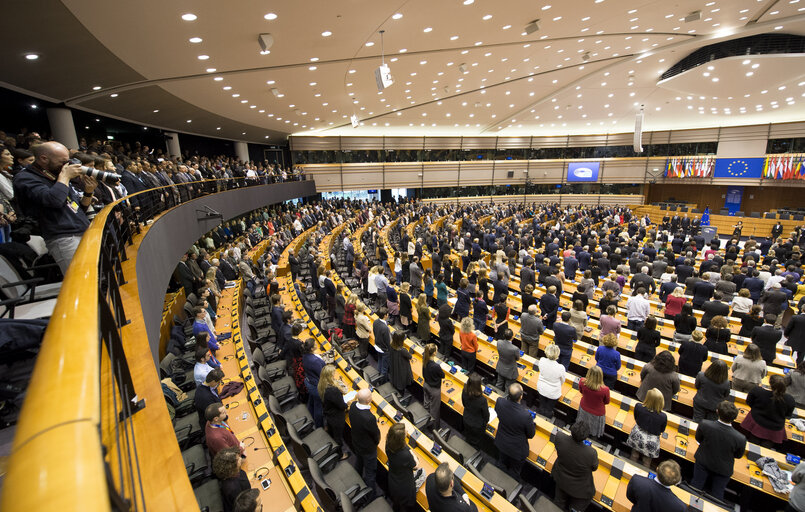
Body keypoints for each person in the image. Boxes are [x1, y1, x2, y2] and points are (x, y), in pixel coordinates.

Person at [13, 141, 98, 273]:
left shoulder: (56, 176)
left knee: (96, 277)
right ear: (43, 158)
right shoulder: (25, 178)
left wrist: (88, 192)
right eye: (63, 161)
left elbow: (77, 208)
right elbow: (53, 201)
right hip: (64, 239)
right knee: (80, 282)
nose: (66, 164)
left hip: (82, 231)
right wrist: (65, 176)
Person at [691, 401, 746, 500]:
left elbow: (699, 439)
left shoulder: (705, 424)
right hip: (723, 468)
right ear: (735, 418)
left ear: (717, 412)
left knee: (695, 486)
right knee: (717, 495)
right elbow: (738, 455)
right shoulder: (740, 438)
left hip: (703, 461)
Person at [552, 421, 598, 512]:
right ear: (586, 437)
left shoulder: (559, 437)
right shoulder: (591, 453)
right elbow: (594, 468)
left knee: (558, 503)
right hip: (580, 490)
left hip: (561, 479)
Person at [741, 374, 796, 448]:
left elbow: (749, 402)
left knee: (752, 447)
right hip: (774, 428)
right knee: (766, 448)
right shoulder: (790, 399)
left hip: (757, 422)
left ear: (770, 383)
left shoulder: (757, 391)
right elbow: (788, 415)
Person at [494, 383, 536, 477]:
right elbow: (531, 435)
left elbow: (498, 413)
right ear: (521, 397)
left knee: (501, 463)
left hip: (501, 442)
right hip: (517, 450)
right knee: (515, 472)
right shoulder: (525, 416)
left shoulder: (500, 402)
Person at [349, 388, 381, 495]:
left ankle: (356, 480)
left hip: (356, 443)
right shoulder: (369, 418)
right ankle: (372, 496)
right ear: (368, 400)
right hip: (368, 450)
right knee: (370, 474)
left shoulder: (353, 406)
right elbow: (376, 436)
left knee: (359, 462)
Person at [627, 389, 667, 468]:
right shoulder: (663, 416)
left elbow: (636, 418)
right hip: (651, 441)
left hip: (637, 436)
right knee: (647, 461)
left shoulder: (638, 407)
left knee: (634, 455)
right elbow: (662, 430)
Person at [386, 423, 421, 512]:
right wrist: (412, 453)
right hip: (404, 486)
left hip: (393, 479)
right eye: (405, 432)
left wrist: (408, 450)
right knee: (404, 507)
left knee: (397, 503)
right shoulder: (405, 455)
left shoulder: (388, 444)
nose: (407, 431)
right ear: (400, 440)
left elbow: (404, 447)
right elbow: (416, 466)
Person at [319, 364, 349, 457]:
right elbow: (341, 406)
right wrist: (348, 405)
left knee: (333, 432)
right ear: (329, 376)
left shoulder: (322, 384)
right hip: (336, 417)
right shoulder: (332, 390)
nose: (334, 374)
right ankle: (340, 455)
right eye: (333, 373)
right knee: (338, 437)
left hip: (329, 414)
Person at [213, 447, 252, 512]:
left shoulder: (227, 476)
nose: (240, 458)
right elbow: (244, 504)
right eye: (237, 459)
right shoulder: (233, 488)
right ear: (231, 466)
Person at [576, 365, 610, 439]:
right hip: (597, 414)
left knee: (581, 428)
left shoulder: (582, 381)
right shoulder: (605, 390)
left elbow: (581, 391)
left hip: (584, 408)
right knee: (593, 432)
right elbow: (607, 401)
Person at [461, 373, 490, 448]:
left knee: (468, 436)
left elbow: (464, 404)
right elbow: (486, 416)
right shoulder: (482, 400)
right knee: (476, 442)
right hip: (477, 425)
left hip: (466, 419)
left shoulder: (464, 391)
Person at [537, 344, 566, 418]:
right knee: (549, 409)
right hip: (553, 392)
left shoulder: (542, 360)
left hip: (541, 388)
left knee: (542, 405)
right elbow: (562, 381)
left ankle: (540, 414)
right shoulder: (561, 368)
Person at [302, 338, 326, 428]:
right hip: (316, 387)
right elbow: (322, 374)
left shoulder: (305, 355)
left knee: (312, 401)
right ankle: (319, 426)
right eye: (315, 344)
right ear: (312, 348)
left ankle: (310, 415)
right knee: (318, 407)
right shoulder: (315, 361)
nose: (317, 345)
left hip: (309, 381)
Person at [422, 343, 445, 431]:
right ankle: (434, 428)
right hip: (434, 390)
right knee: (434, 410)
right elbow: (442, 375)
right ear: (434, 353)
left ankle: (426, 422)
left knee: (427, 405)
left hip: (426, 385)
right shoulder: (436, 366)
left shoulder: (425, 360)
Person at [373, 307, 391, 374]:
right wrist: (389, 350)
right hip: (384, 350)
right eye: (387, 314)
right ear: (385, 316)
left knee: (380, 361)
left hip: (377, 345)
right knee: (384, 367)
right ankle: (383, 381)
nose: (388, 315)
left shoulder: (375, 321)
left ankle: (379, 374)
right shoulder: (385, 328)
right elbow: (388, 342)